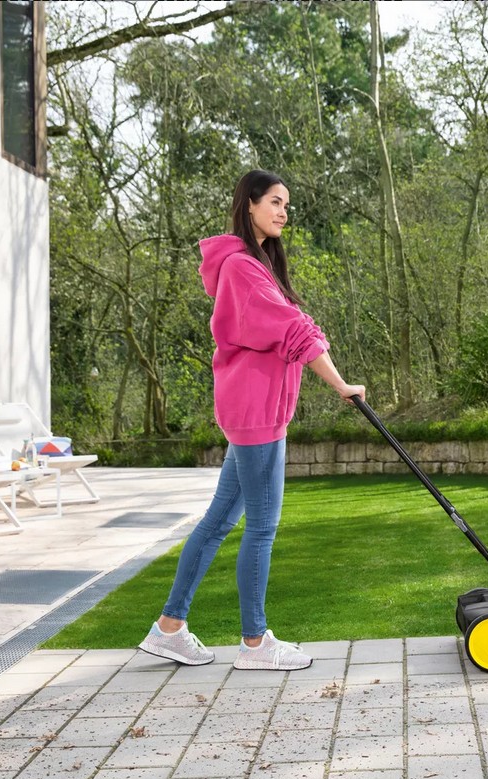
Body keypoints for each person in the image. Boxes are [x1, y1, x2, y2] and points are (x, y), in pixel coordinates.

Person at [138, 169, 365, 671]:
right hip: (257, 415)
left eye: (287, 205)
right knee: (261, 528)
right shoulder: (242, 268)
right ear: (250, 205)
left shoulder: (252, 266)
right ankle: (255, 644)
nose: (284, 212)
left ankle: (169, 628)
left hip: (253, 413)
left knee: (219, 521)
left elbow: (294, 325)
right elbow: (293, 330)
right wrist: (341, 385)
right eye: (276, 202)